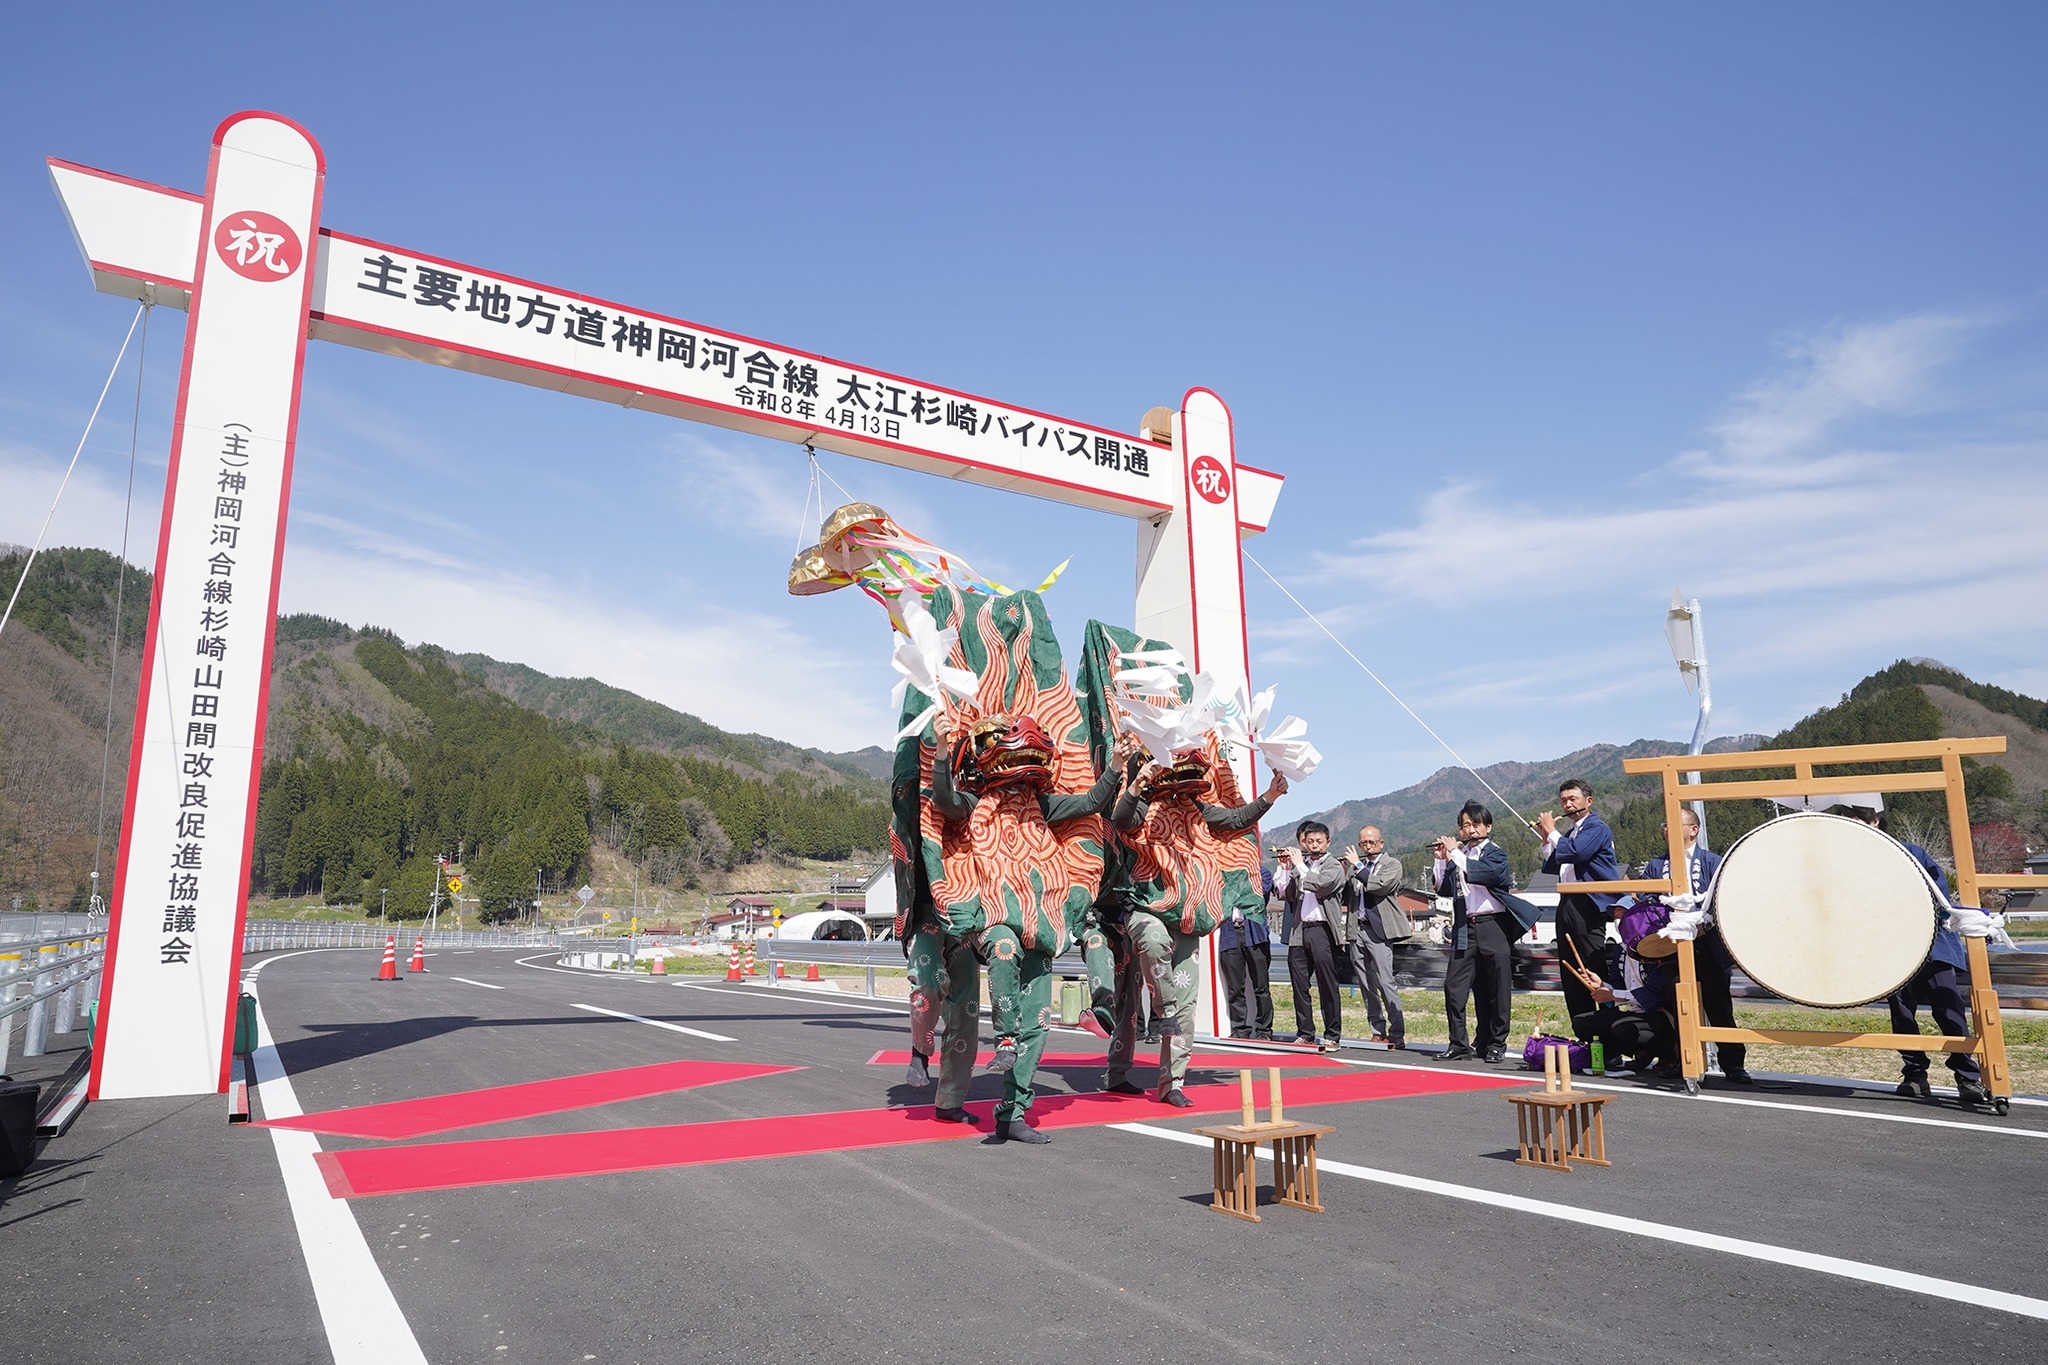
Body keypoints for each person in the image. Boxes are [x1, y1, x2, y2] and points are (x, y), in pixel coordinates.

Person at [924, 712, 1123, 1143]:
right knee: (1003, 950)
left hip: (1042, 918)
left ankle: (1013, 1112)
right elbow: (943, 799)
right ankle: (1005, 1039)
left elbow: (1089, 802)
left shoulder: (1043, 807)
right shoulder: (974, 804)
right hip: (994, 917)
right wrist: (941, 750)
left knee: (1042, 1019)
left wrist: (1117, 767)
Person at [1103, 751, 1284, 1104]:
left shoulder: (1198, 810)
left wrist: (1270, 797)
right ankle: (1121, 1066)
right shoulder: (1144, 806)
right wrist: (1137, 786)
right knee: (1131, 994)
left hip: (1186, 915)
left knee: (1186, 1006)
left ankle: (1172, 1084)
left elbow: (1233, 820)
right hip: (1142, 911)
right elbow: (1121, 819)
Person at [1834, 804, 1990, 1109]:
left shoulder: (1912, 853)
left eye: (1851, 821)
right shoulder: (1846, 861)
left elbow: (1939, 898)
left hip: (1933, 946)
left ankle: (1967, 1076)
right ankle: (1915, 1074)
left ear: (1874, 821)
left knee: (1949, 1010)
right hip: (1889, 951)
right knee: (1903, 1014)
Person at [1641, 808, 1746, 1084]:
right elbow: (1648, 901)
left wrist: (1703, 924)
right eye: (1665, 825)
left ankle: (1733, 1062)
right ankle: (1682, 1058)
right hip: (1671, 945)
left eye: (1674, 825)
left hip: (1705, 943)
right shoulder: (1655, 865)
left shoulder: (1711, 861)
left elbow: (1723, 899)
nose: (1667, 830)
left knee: (1719, 1005)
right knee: (1677, 1005)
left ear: (1693, 829)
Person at [1536, 779, 1623, 1038]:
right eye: (1563, 800)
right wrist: (1546, 839)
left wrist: (1552, 832)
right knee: (1571, 970)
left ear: (1588, 801)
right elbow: (1554, 865)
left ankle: (1609, 1038)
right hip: (1567, 902)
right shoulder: (1572, 832)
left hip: (1588, 903)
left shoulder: (1597, 827)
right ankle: (1585, 1035)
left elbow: (1575, 853)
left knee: (1591, 967)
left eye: (1573, 798)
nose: (1568, 804)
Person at [1434, 801, 1515, 1063]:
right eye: (1465, 825)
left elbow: (1487, 875)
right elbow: (1445, 889)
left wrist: (1456, 854)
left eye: (1475, 824)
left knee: (1497, 987)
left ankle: (1496, 1042)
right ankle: (1458, 1043)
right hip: (1464, 926)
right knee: (1454, 986)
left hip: (1493, 924)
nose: (1470, 830)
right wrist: (1440, 861)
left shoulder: (1496, 853)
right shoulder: (1458, 856)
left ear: (1488, 827)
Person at [1274, 820, 1349, 1050]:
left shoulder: (1334, 866)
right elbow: (1284, 894)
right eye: (1310, 841)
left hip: (1322, 931)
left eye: (1318, 841)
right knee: (1299, 985)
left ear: (1328, 842)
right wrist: (1285, 867)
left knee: (1327, 984)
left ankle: (1333, 1034)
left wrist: (1299, 866)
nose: (1314, 845)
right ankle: (1305, 1032)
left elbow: (1320, 886)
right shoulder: (1300, 866)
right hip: (1299, 930)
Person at [1341, 826, 1406, 1048]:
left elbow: (1380, 886)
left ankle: (1397, 1032)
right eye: (1363, 843)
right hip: (1356, 928)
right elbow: (1344, 897)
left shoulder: (1391, 865)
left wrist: (1357, 866)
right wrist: (1343, 872)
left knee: (1386, 981)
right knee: (1366, 983)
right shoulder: (1354, 869)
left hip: (1379, 930)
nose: (1367, 847)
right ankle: (1377, 1029)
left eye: (1371, 842)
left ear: (1381, 843)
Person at [1220, 864, 1276, 1040]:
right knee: (1235, 987)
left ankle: (1264, 1030)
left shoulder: (1262, 872)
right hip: (1230, 933)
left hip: (1255, 934)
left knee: (1261, 986)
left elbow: (1260, 893)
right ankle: (1240, 1029)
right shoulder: (1222, 874)